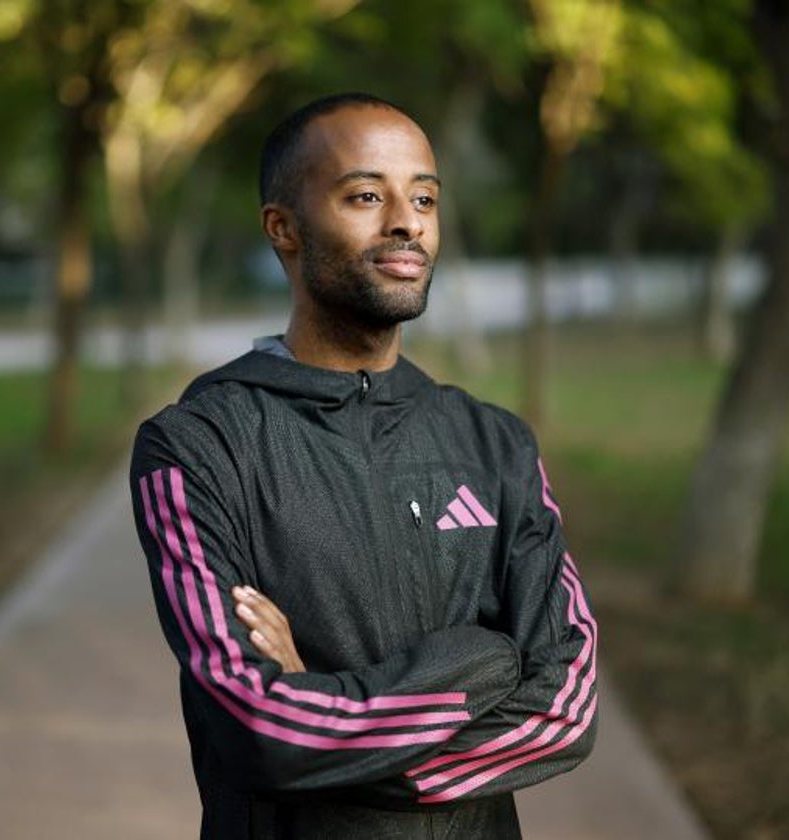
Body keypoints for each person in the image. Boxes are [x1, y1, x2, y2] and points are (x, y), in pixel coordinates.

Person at [129, 92, 597, 839]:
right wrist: (484, 663)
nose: (406, 221)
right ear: (283, 227)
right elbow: (261, 731)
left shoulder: (497, 443)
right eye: (366, 195)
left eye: (424, 198)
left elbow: (566, 708)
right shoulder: (196, 446)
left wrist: (325, 702)